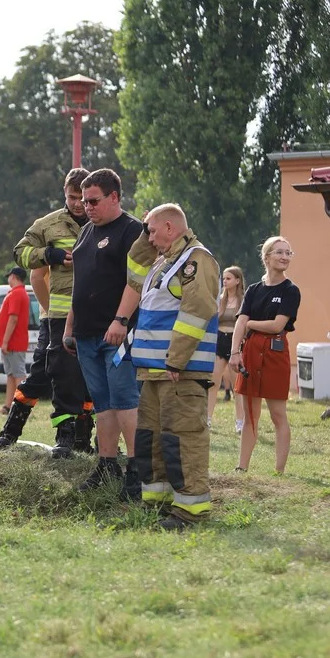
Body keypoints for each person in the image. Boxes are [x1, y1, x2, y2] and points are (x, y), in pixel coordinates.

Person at [125, 204, 219, 530]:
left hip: (179, 370)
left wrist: (176, 359)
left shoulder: (196, 260)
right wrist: (143, 229)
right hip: (154, 371)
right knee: (152, 440)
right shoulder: (162, 261)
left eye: (152, 231)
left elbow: (197, 310)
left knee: (183, 439)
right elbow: (132, 270)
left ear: (169, 227)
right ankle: (159, 504)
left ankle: (191, 513)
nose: (148, 239)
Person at [0, 167, 94, 458]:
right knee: (48, 375)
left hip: (95, 315)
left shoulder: (104, 219)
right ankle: (13, 432)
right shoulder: (49, 224)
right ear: (65, 194)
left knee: (88, 381)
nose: (78, 204)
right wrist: (46, 255)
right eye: (72, 197)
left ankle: (81, 440)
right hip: (58, 319)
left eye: (83, 198)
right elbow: (20, 252)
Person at [62, 168, 143, 498]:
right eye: (83, 201)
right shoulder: (85, 232)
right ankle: (107, 463)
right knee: (103, 405)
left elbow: (135, 282)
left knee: (125, 400)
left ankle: (138, 470)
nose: (87, 207)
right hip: (86, 333)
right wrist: (69, 326)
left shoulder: (132, 230)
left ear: (114, 197)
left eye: (93, 201)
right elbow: (80, 284)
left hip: (117, 333)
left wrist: (120, 321)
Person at [229, 236, 301, 474]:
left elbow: (277, 325)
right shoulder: (253, 290)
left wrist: (250, 325)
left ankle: (279, 471)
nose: (284, 257)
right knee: (250, 414)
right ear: (267, 256)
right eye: (279, 252)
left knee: (278, 414)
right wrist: (234, 353)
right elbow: (240, 322)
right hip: (250, 353)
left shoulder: (291, 291)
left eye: (288, 253)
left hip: (275, 353)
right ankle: (242, 467)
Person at [207, 266, 246, 433]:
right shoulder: (220, 299)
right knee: (213, 382)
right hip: (219, 341)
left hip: (235, 343)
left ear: (237, 280)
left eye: (228, 278)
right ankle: (207, 418)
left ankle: (240, 421)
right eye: (223, 278)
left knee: (237, 385)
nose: (225, 281)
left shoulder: (243, 300)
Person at [0, 266, 30, 415]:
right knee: (11, 375)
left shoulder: (17, 294)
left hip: (14, 342)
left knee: (18, 375)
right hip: (11, 343)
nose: (8, 279)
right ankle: (8, 406)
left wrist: (5, 341)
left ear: (14, 277)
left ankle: (24, 406)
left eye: (9, 276)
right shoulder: (16, 293)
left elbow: (13, 318)